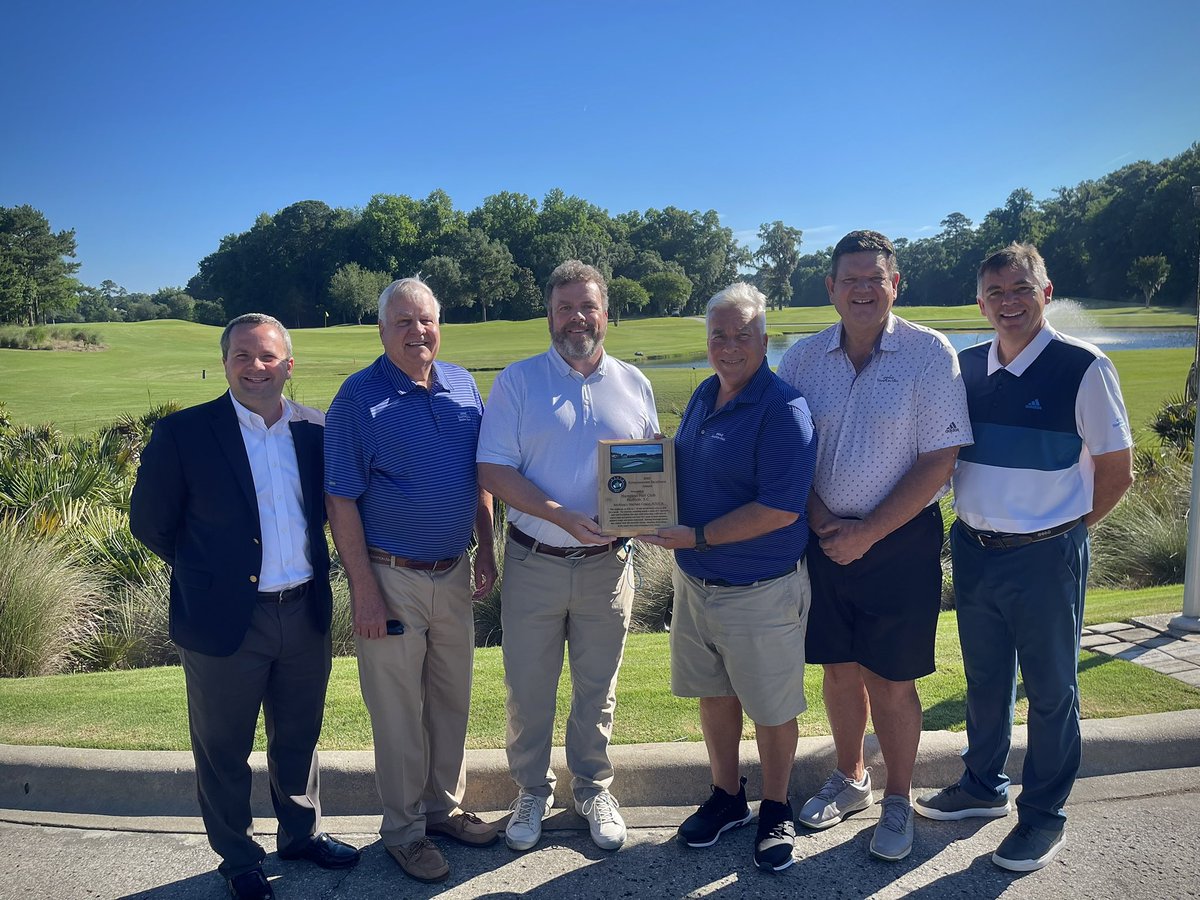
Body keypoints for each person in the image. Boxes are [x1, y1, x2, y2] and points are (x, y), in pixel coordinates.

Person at [914, 244, 1133, 872]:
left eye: (1021, 289)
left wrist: (1062, 530)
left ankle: (1043, 816)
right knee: (985, 681)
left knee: (1052, 690)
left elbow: (1117, 472)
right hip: (975, 549)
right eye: (996, 292)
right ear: (981, 302)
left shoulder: (1082, 366)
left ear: (1046, 290)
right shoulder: (966, 367)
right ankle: (983, 787)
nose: (1008, 303)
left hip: (1046, 555)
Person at [130, 313, 360, 900]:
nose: (255, 368)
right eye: (242, 356)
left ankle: (300, 835)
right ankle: (237, 858)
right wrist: (214, 576)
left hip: (304, 611)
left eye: (267, 357)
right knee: (223, 747)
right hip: (225, 619)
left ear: (288, 364)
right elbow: (151, 525)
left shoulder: (316, 429)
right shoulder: (184, 434)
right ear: (226, 361)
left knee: (298, 737)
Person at [776, 230, 972, 862]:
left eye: (875, 278)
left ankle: (896, 797)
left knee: (891, 677)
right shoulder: (802, 359)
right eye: (850, 279)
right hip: (823, 533)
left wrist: (869, 531)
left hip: (900, 539)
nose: (863, 289)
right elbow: (785, 457)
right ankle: (851, 776)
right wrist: (827, 521)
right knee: (838, 665)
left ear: (895, 285)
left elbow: (940, 459)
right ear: (830, 287)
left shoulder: (928, 353)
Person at [477, 260, 659, 853]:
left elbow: (648, 466)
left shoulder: (634, 383)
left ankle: (591, 785)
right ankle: (531, 790)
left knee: (596, 688)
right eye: (564, 308)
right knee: (529, 690)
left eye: (587, 307)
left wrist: (649, 506)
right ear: (549, 315)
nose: (576, 318)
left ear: (606, 313)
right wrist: (560, 514)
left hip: (610, 566)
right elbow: (493, 470)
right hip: (535, 560)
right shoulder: (519, 382)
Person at [323, 278, 499, 885]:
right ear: (381, 330)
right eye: (403, 322)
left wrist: (486, 547)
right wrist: (363, 591)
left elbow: (480, 473)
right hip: (390, 576)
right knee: (397, 713)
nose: (418, 332)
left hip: (452, 572)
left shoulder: (462, 385)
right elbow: (340, 501)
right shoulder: (356, 399)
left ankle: (442, 812)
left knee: (450, 701)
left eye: (426, 321)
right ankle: (403, 831)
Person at [639, 283, 816, 872]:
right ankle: (727, 796)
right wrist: (643, 478)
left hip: (759, 586)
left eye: (743, 335)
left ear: (765, 340)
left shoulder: (783, 408)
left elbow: (780, 507)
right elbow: (687, 466)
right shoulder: (703, 395)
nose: (730, 345)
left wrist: (697, 536)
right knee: (713, 694)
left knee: (770, 705)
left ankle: (775, 806)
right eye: (719, 335)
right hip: (698, 585)